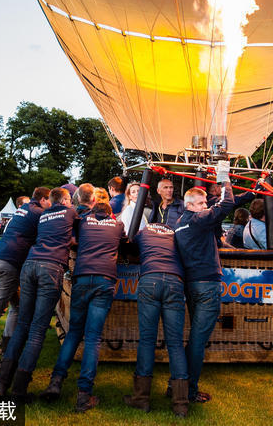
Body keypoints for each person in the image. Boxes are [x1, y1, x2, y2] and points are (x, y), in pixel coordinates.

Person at [0, 187, 80, 403]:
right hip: (51, 268)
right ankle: (19, 390)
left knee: (23, 324)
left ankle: (0, 386)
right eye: (69, 199)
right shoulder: (70, 212)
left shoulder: (44, 214)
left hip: (30, 265)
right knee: (38, 330)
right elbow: (81, 227)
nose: (71, 202)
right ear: (65, 200)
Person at [41, 202, 123, 412]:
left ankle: (55, 382)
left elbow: (73, 235)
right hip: (105, 279)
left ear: (93, 212)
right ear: (110, 213)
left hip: (82, 277)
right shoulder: (117, 225)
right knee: (93, 337)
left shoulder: (84, 221)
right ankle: (84, 394)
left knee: (74, 333)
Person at [0, 187, 51, 379]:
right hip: (11, 264)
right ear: (43, 199)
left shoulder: (24, 209)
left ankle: (8, 353)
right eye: (49, 201)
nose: (51, 205)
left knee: (17, 306)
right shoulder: (38, 213)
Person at [173, 172, 235, 403]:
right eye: (201, 203)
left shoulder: (180, 224)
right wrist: (224, 177)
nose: (205, 206)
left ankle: (177, 384)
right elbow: (227, 203)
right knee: (198, 342)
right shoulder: (198, 220)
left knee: (194, 339)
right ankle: (188, 391)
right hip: (207, 285)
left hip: (191, 285)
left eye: (205, 203)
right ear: (189, 205)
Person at [123, 222, 190, 417]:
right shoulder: (174, 234)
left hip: (150, 277)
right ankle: (180, 404)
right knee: (175, 343)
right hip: (174, 280)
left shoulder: (144, 231)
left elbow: (129, 247)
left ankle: (141, 399)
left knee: (147, 340)